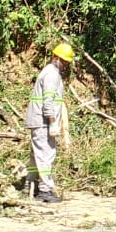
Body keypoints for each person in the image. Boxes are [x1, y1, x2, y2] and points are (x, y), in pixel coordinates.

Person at [25, 42, 73, 203]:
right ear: (56, 57)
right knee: (46, 155)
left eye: (67, 62)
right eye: (64, 61)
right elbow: (48, 101)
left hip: (39, 120)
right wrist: (52, 122)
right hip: (43, 121)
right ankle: (45, 190)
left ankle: (29, 185)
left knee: (36, 155)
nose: (65, 64)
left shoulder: (49, 72)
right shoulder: (51, 75)